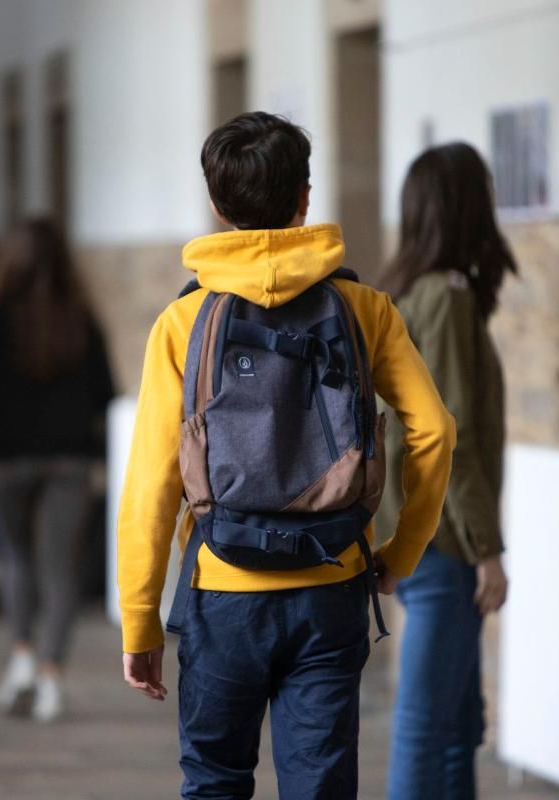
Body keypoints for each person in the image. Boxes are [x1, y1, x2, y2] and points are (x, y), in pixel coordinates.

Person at [116, 112, 456, 798]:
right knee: (320, 786)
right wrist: (402, 551)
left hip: (223, 589)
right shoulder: (365, 309)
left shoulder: (183, 322)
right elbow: (436, 431)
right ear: (305, 198)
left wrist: (140, 618)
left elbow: (152, 483)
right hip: (331, 585)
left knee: (214, 780)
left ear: (217, 206)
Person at [378, 143, 514, 800]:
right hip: (445, 543)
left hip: (420, 538)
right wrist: (487, 549)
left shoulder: (407, 291)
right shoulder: (448, 296)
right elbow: (450, 435)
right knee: (430, 730)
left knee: (459, 727)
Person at [0, 219, 114, 723]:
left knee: (16, 557)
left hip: (8, 459)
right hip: (68, 460)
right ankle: (52, 677)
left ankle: (21, 659)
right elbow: (105, 390)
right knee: (59, 570)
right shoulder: (79, 317)